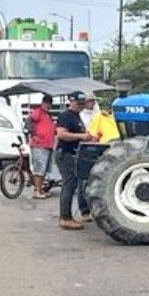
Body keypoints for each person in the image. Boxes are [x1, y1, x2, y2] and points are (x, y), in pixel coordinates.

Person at [55, 90, 96, 230]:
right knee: (69, 184)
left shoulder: (76, 116)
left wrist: (88, 137)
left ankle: (67, 216)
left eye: (82, 104)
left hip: (72, 153)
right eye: (78, 103)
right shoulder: (66, 116)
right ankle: (65, 218)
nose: (81, 106)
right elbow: (61, 134)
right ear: (71, 101)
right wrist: (81, 136)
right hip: (65, 153)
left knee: (73, 184)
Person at [27, 94, 56, 199]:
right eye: (46, 103)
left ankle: (40, 189)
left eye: (49, 103)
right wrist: (34, 135)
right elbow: (29, 121)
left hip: (47, 145)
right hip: (39, 145)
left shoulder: (48, 115)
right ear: (42, 103)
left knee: (44, 170)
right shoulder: (38, 112)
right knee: (39, 169)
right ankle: (37, 191)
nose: (47, 105)